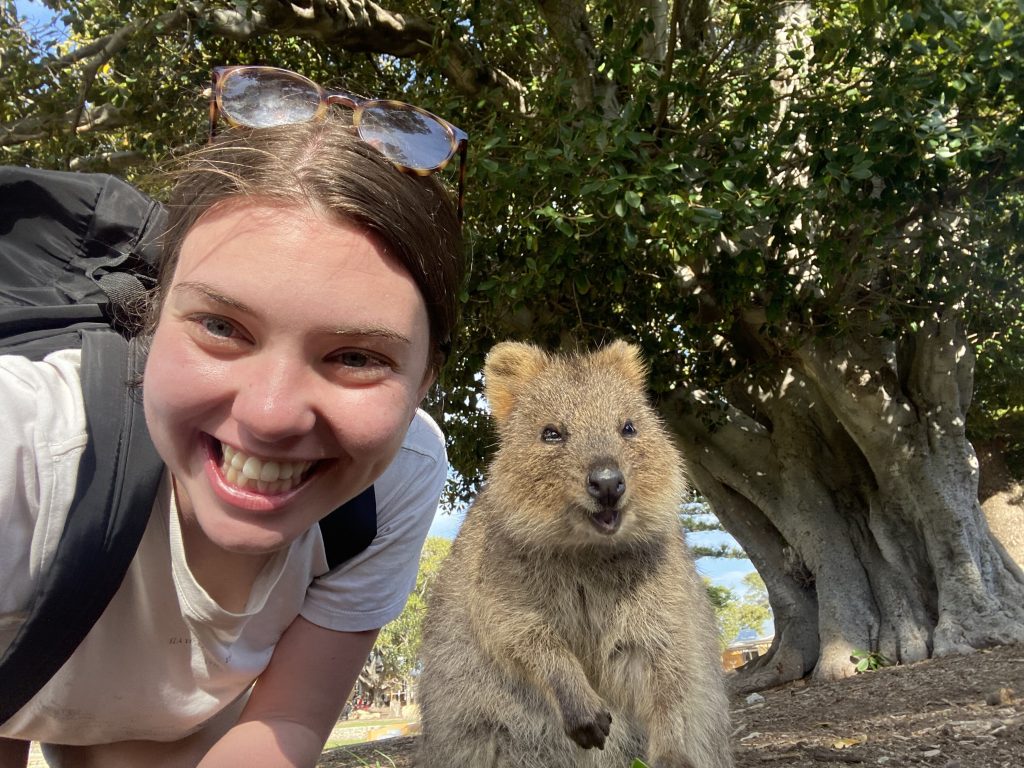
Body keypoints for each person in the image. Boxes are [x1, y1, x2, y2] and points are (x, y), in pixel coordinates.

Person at [0, 65, 465, 767]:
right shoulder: (27, 445)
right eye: (222, 326)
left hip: (175, 729)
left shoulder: (400, 475)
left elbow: (288, 722)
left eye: (357, 357)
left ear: (423, 382)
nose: (273, 415)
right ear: (151, 321)